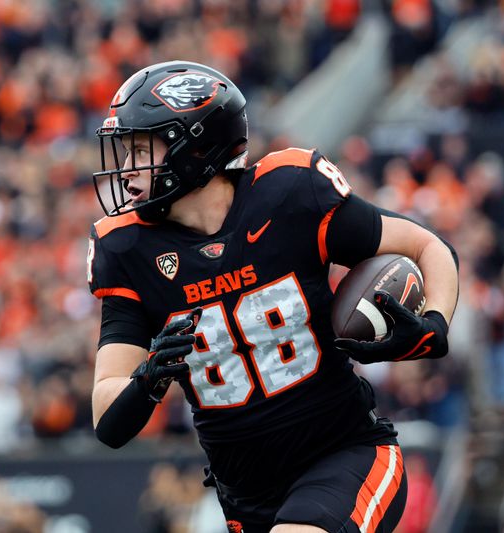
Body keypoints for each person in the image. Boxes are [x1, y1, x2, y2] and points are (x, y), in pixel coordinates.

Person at [87, 60, 459, 533]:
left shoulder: (289, 194)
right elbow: (108, 419)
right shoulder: (128, 248)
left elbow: (428, 246)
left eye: (142, 148)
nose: (126, 168)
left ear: (195, 146)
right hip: (247, 496)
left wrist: (433, 326)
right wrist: (148, 380)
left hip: (346, 455)